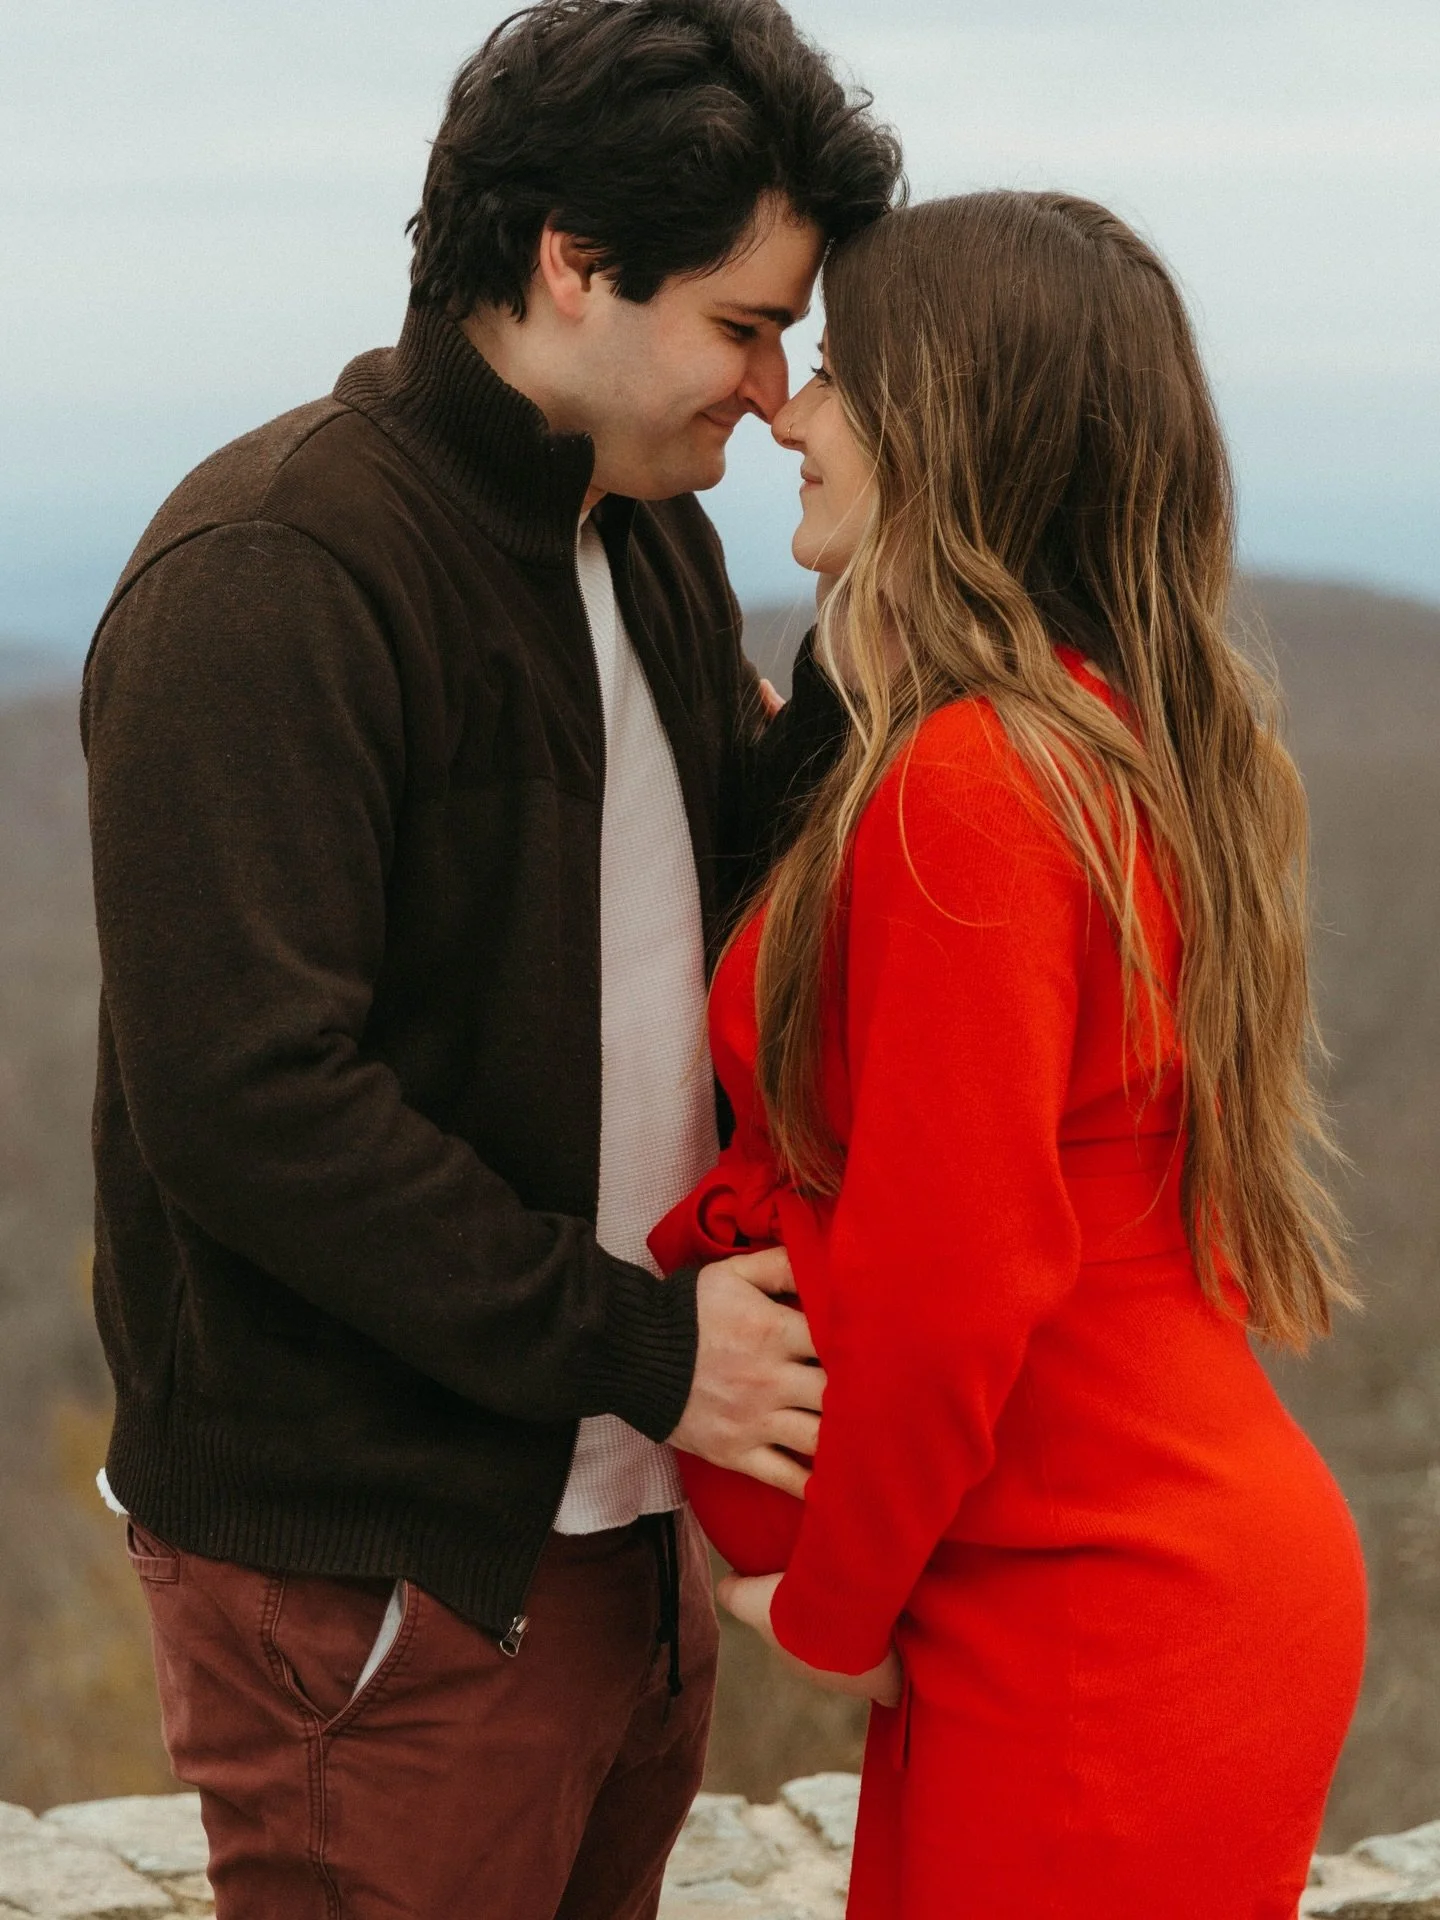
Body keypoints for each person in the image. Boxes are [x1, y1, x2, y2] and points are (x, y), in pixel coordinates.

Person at [79, 4, 901, 1915]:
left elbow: (703, 903)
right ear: (570, 262)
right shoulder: (275, 570)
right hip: (383, 1569)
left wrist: (892, 642)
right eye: (742, 324)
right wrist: (642, 1350)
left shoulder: (642, 542)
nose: (775, 390)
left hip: (625, 1525)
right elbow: (250, 1109)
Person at [648, 192, 1369, 1919]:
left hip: (1100, 1626)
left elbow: (951, 1280)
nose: (791, 416)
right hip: (1090, 1599)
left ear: (944, 427)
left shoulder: (975, 790)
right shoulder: (1074, 743)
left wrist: (824, 1607)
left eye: (833, 375)